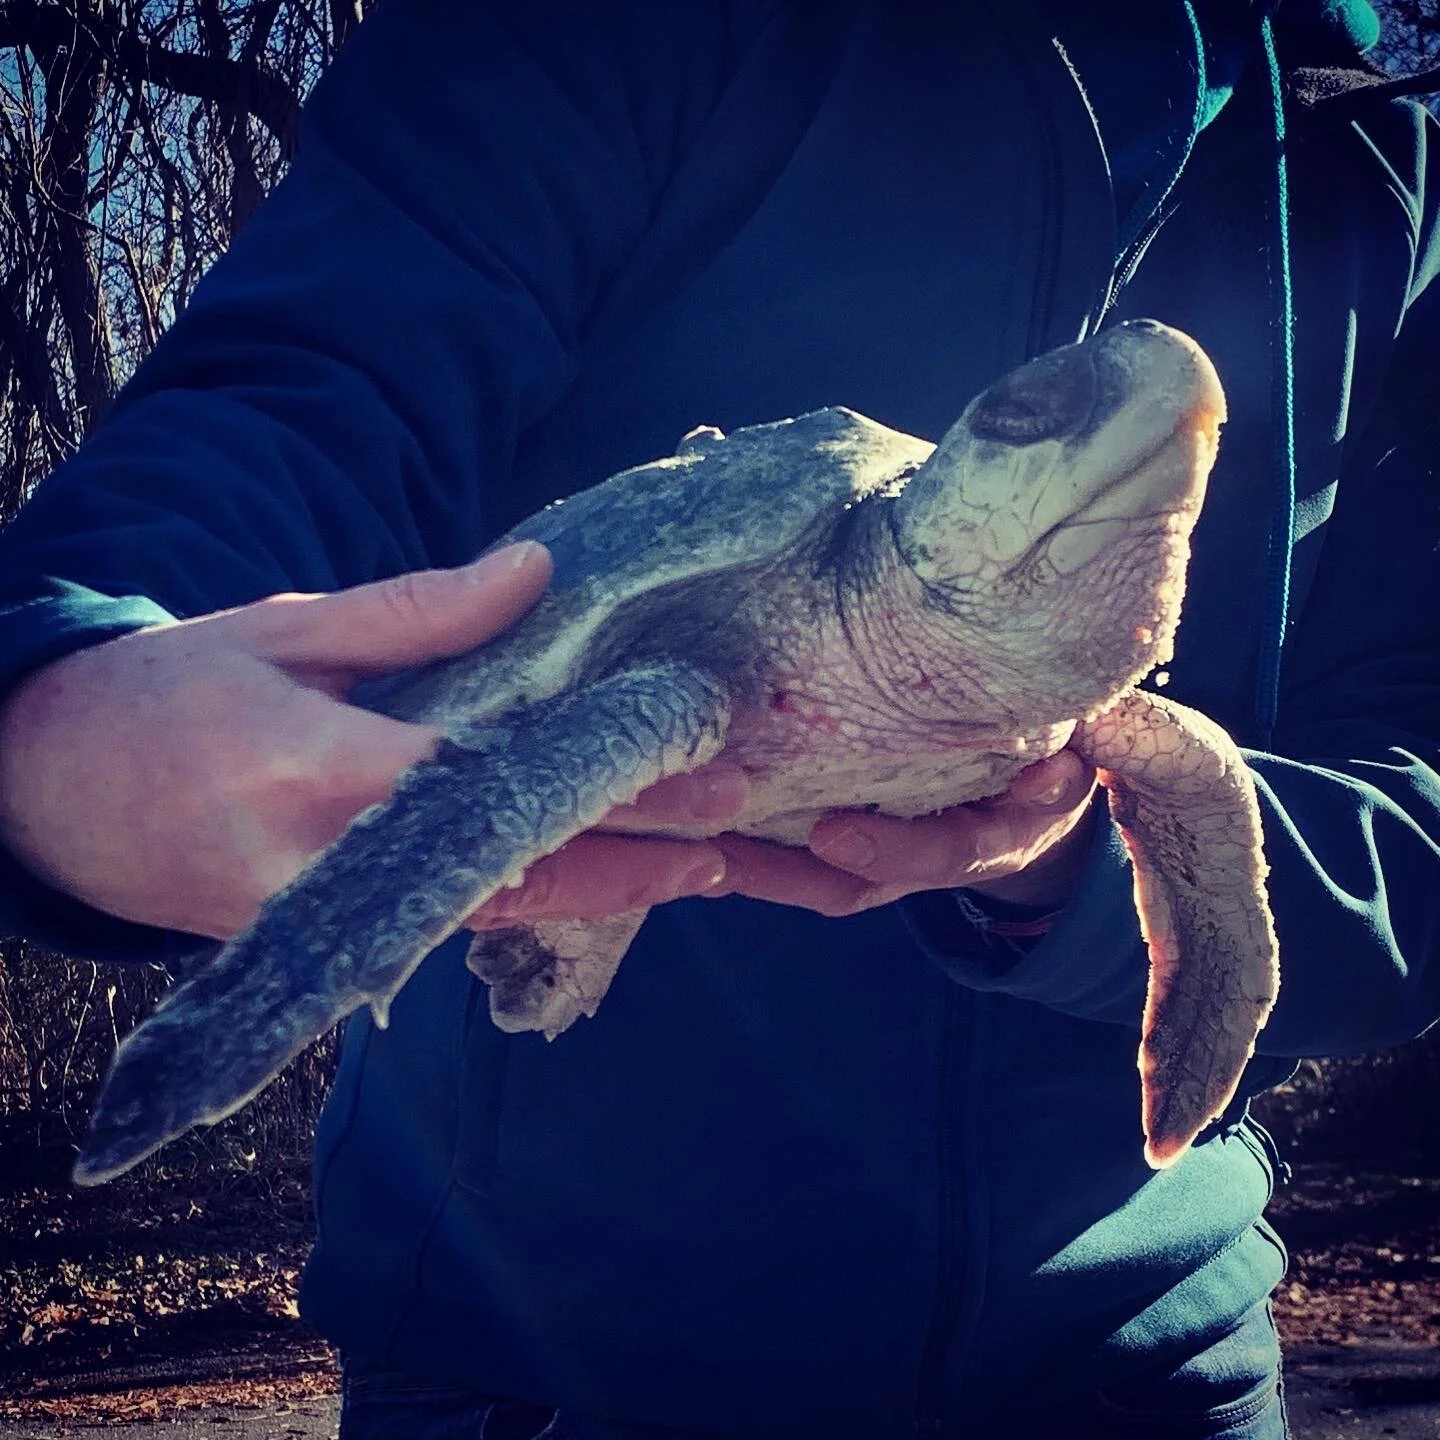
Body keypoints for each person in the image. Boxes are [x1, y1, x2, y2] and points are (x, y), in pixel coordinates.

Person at [0, 0, 1437, 1434]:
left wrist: (1064, 871)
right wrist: (68, 677)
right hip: (558, 1365)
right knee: (564, 782)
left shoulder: (1390, 167)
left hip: (1151, 1364)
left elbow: (1408, 828)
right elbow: (305, 394)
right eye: (1033, 422)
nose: (1164, 402)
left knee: (1190, 780)